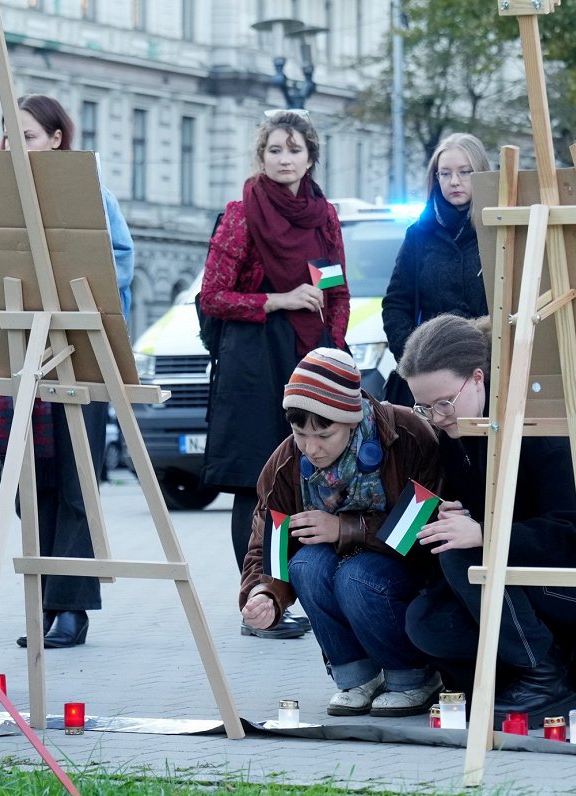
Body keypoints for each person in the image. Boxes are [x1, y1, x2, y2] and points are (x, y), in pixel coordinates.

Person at [397, 314, 576, 725]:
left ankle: (544, 680)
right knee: (425, 621)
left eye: (444, 402)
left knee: (466, 556)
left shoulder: (537, 429)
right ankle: (522, 680)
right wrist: (458, 515)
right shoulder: (461, 432)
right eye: (423, 408)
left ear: (478, 378)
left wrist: (483, 533)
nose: (438, 417)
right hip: (531, 584)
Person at [0, 94, 135, 649]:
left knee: (75, 483)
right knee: (31, 486)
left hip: (80, 349)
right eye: (9, 135)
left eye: (26, 135)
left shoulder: (89, 194)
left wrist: (66, 290)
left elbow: (119, 261)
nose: (15, 145)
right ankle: (44, 600)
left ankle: (72, 608)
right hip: (23, 350)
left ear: (55, 139)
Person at [200, 110, 350, 639]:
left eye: (294, 150)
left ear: (310, 157)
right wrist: (278, 300)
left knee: (307, 483)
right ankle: (256, 605)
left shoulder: (323, 215)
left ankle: (298, 598)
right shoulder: (242, 214)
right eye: (274, 151)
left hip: (311, 361)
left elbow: (336, 290)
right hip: (254, 363)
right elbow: (212, 297)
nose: (284, 160)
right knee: (257, 486)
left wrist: (334, 347)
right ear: (260, 157)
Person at [239, 348, 444, 716]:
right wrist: (264, 595)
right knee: (305, 565)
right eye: (300, 433)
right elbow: (267, 549)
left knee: (355, 576)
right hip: (346, 570)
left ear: (351, 420)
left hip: (406, 570)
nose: (311, 448)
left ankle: (412, 675)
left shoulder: (408, 435)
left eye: (324, 434)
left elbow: (418, 530)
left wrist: (341, 528)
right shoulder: (285, 464)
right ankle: (356, 677)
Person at [381, 133, 491, 406]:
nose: (454, 181)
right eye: (445, 173)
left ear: (481, 174)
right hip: (433, 383)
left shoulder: (499, 230)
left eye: (465, 172)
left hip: (492, 377)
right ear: (435, 178)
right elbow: (396, 304)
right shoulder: (419, 234)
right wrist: (414, 359)